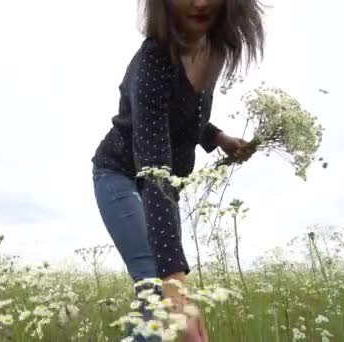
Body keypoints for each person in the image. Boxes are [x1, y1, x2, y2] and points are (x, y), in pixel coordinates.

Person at [91, 0, 265, 340]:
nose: (199, 2)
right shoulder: (154, 61)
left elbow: (187, 116)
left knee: (160, 296)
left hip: (163, 189)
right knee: (157, 285)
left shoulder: (215, 48)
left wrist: (219, 137)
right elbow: (155, 167)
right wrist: (174, 281)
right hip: (119, 174)